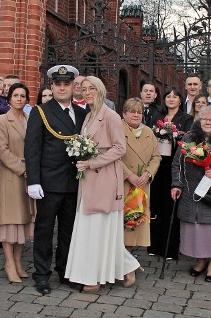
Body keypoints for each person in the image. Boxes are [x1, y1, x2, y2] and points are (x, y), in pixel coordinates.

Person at [65, 76, 140, 292]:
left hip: (105, 177)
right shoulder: (89, 116)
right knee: (90, 229)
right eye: (84, 89)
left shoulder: (111, 116)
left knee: (99, 228)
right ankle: (126, 266)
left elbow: (120, 148)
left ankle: (96, 278)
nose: (87, 92)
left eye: (92, 89)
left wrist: (92, 162)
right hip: (89, 178)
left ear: (101, 91)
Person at [25, 65, 87, 295]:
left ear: (73, 86)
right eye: (58, 84)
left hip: (74, 181)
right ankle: (42, 275)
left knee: (69, 231)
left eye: (67, 84)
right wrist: (34, 181)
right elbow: (31, 148)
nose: (62, 88)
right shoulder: (40, 111)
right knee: (44, 230)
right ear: (51, 86)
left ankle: (65, 271)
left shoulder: (82, 113)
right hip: (49, 183)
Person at [171, 105, 211, 282]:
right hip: (191, 190)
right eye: (205, 118)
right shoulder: (190, 137)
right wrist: (176, 185)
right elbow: (177, 164)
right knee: (196, 228)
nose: (208, 122)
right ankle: (200, 261)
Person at [0, 83, 35, 283]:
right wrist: (23, 168)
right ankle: (9, 262)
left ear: (27, 99)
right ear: (9, 98)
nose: (19, 99)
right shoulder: (2, 120)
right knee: (10, 220)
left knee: (24, 219)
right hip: (11, 174)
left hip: (30, 176)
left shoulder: (30, 119)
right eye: (15, 95)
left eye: (22, 96)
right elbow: (2, 150)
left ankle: (18, 261)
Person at [148, 86, 193, 260]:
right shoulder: (156, 116)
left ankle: (170, 248)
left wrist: (174, 135)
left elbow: (187, 140)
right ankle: (153, 245)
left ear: (180, 100)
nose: (171, 99)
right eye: (168, 96)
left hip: (175, 166)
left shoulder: (186, 118)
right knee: (156, 205)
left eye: (175, 96)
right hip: (157, 165)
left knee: (171, 208)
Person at [120, 98, 162, 251]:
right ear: (124, 114)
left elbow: (156, 157)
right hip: (123, 184)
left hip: (142, 184)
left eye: (139, 112)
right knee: (123, 223)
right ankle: (122, 262)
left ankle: (129, 258)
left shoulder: (148, 132)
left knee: (136, 223)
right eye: (132, 112)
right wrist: (128, 174)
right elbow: (112, 156)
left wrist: (148, 173)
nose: (136, 115)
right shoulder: (117, 129)